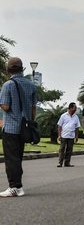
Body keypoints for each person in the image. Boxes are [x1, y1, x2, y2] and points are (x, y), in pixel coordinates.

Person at [0, 57, 37, 197]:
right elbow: (33, 107)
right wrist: (31, 121)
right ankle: (18, 185)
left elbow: (6, 106)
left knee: (11, 159)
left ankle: (15, 186)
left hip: (11, 127)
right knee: (18, 157)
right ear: (22, 69)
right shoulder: (31, 85)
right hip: (24, 126)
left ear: (8, 69)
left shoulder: (7, 85)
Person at [57, 102, 80, 167]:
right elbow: (59, 125)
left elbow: (77, 127)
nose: (75, 109)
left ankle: (67, 162)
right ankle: (60, 162)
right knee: (62, 149)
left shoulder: (76, 117)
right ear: (70, 108)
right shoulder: (63, 116)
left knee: (69, 150)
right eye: (75, 108)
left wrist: (77, 136)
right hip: (64, 135)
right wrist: (59, 135)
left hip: (71, 136)